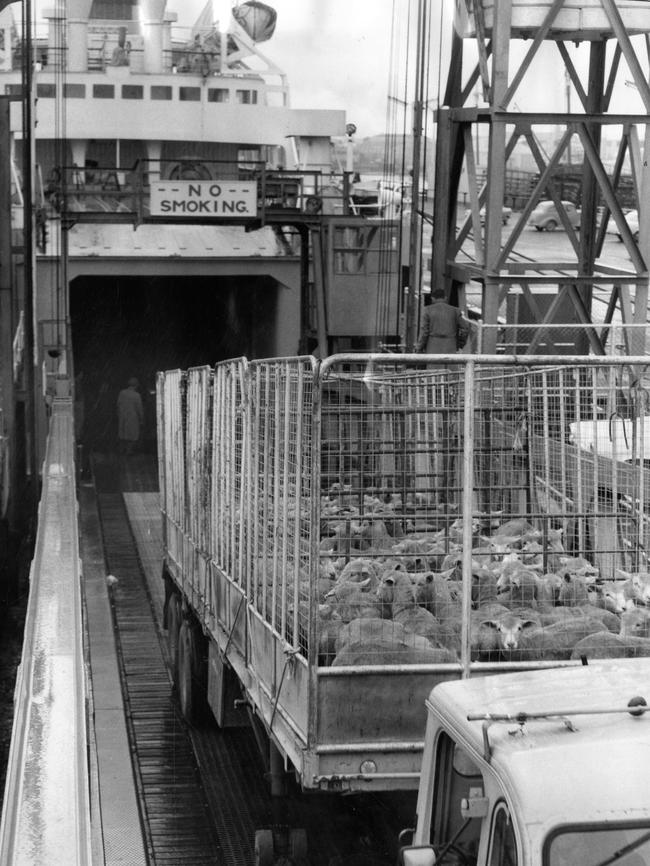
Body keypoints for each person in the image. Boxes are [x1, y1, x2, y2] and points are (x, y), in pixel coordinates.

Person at [416, 288, 470, 355]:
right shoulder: (455, 311)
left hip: (432, 347)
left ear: (432, 298)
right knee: (450, 364)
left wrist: (419, 348)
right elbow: (465, 329)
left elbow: (424, 332)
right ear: (445, 298)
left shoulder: (427, 310)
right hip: (451, 346)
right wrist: (460, 343)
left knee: (433, 365)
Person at [117, 377, 144, 455]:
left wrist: (119, 414)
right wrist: (142, 419)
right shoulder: (136, 395)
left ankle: (121, 451)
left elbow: (118, 405)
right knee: (132, 436)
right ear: (136, 385)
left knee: (123, 435)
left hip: (122, 417)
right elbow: (139, 409)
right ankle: (128, 451)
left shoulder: (122, 393)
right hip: (133, 418)